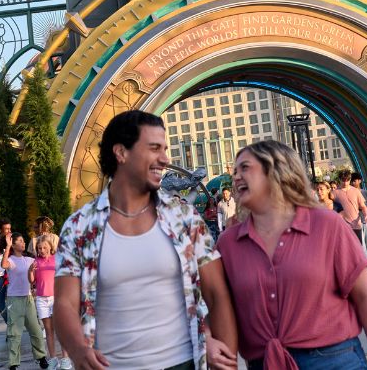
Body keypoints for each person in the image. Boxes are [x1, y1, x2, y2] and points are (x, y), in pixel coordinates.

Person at [54, 110, 238, 370]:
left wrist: (227, 360)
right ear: (121, 153)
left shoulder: (184, 217)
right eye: (154, 148)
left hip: (182, 363)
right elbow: (64, 302)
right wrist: (78, 350)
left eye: (164, 149)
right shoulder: (79, 227)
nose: (164, 159)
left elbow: (217, 294)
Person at [219, 140, 367, 369]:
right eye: (235, 171)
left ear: (276, 172)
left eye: (245, 168)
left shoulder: (327, 225)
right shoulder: (228, 243)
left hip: (334, 361)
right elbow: (218, 308)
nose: (236, 177)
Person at [2, 233, 49, 370]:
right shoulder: (10, 260)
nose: (23, 243)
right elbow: (4, 264)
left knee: (36, 331)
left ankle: (41, 357)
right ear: (14, 244)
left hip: (28, 299)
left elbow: (40, 271)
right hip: (14, 300)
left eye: (24, 241)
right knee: (14, 333)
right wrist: (8, 246)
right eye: (20, 241)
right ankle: (13, 363)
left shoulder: (29, 260)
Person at [32, 235, 71, 370]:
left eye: (44, 247)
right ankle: (53, 359)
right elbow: (32, 280)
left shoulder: (57, 260)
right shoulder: (35, 262)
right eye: (39, 248)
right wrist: (31, 271)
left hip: (56, 298)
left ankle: (65, 359)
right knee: (48, 331)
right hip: (41, 299)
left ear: (50, 247)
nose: (42, 250)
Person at [333, 171, 367, 243]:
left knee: (358, 248)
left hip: (356, 224)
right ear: (339, 179)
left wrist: (366, 215)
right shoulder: (334, 193)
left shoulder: (356, 191)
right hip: (342, 226)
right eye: (343, 180)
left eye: (347, 180)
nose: (345, 183)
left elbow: (363, 206)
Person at [0, 219, 12, 321]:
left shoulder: (13, 241)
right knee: (0, 306)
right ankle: (11, 325)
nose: (9, 231)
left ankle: (12, 331)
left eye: (10, 228)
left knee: (12, 305)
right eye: (6, 229)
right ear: (0, 230)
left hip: (9, 278)